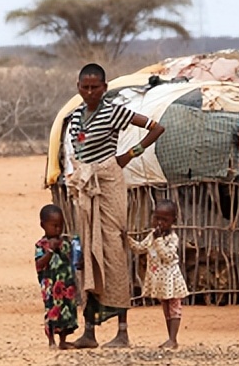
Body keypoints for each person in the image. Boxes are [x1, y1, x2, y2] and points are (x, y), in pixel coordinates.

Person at [64, 63, 165, 349]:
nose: (90, 91)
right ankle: (90, 333)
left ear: (105, 88)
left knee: (113, 253)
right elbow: (78, 151)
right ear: (78, 87)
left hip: (108, 185)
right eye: (85, 87)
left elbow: (156, 127)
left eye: (95, 87)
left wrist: (128, 156)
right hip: (86, 189)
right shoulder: (74, 118)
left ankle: (122, 332)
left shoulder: (115, 111)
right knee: (89, 257)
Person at [128, 198, 189, 349]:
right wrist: (127, 239)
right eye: (157, 218)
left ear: (173, 221)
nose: (160, 223)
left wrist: (159, 240)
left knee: (174, 309)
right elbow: (140, 248)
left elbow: (167, 256)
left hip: (172, 280)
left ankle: (173, 339)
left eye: (164, 220)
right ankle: (170, 338)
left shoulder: (172, 238)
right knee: (167, 310)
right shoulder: (152, 235)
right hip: (161, 282)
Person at [34, 204, 77, 349]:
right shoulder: (41, 245)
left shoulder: (65, 242)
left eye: (60, 226)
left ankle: (63, 340)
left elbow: (71, 258)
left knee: (66, 312)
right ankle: (51, 340)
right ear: (43, 225)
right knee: (52, 312)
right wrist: (50, 251)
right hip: (50, 287)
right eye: (54, 226)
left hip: (66, 285)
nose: (58, 229)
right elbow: (39, 264)